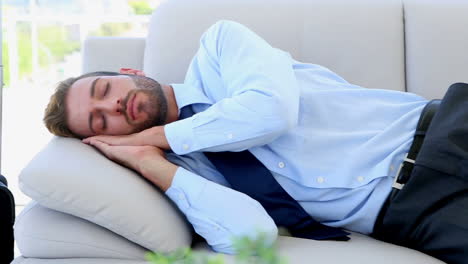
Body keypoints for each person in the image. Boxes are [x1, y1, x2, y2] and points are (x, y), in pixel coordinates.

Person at [43, 20, 467, 263]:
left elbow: (270, 112)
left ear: (128, 73)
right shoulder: (188, 175)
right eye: (100, 120)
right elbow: (255, 235)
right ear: (103, 139)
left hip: (446, 129)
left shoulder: (219, 50)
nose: (114, 107)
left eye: (105, 91)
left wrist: (161, 135)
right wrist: (153, 164)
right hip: (416, 214)